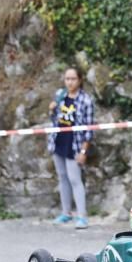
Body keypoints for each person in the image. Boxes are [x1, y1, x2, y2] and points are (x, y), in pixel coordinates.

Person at [48, 67, 94, 228]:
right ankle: (65, 213)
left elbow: (89, 128)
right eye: (67, 79)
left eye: (73, 79)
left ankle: (82, 216)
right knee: (62, 178)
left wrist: (83, 150)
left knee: (75, 179)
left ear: (80, 80)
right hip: (59, 141)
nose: (70, 82)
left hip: (74, 144)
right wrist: (52, 109)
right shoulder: (60, 95)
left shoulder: (85, 100)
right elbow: (55, 120)